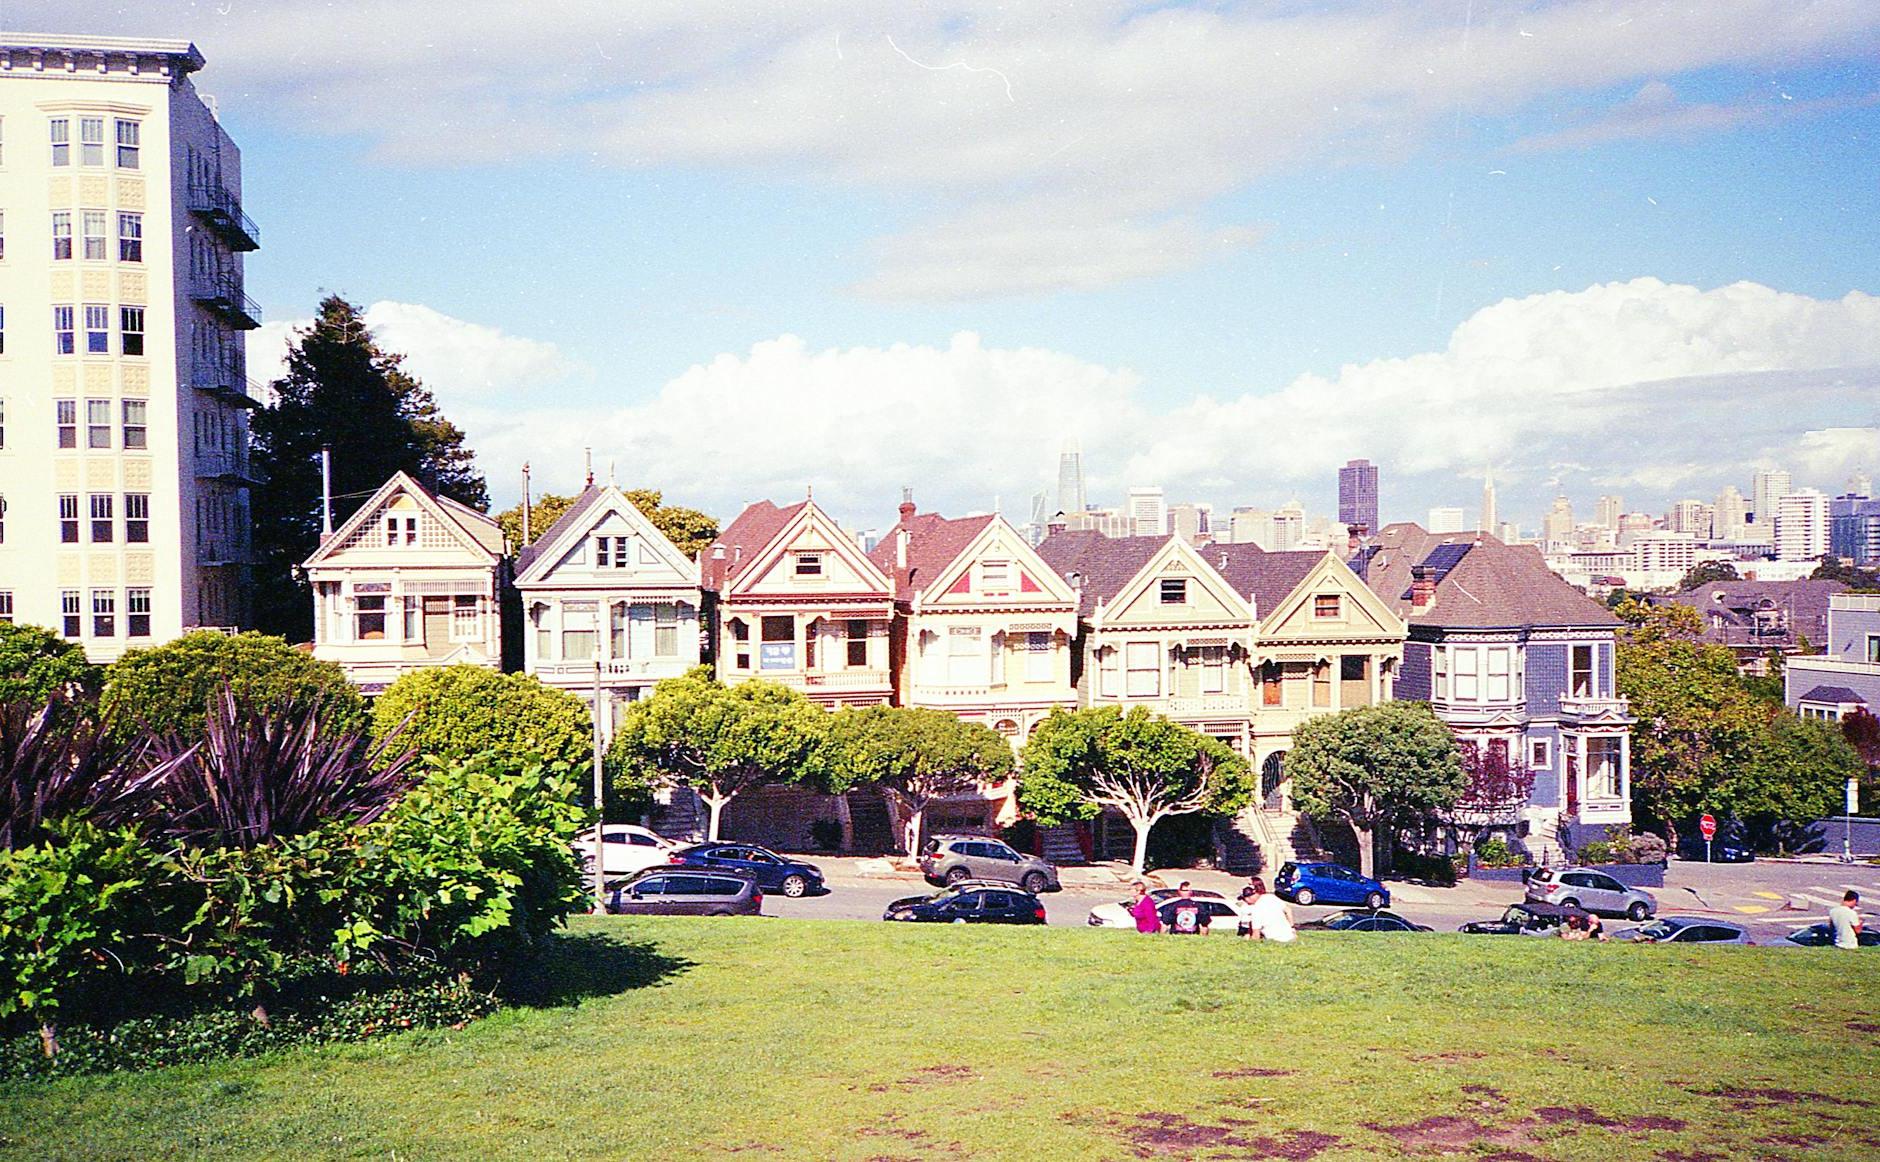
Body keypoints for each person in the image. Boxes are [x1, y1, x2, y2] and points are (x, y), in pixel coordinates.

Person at [1242, 876, 1296, 943]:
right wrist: (1292, 927)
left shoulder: (1256, 909)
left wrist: (1248, 941)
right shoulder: (1271, 897)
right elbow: (1288, 909)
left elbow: (1256, 936)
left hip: (1276, 940)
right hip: (1290, 936)